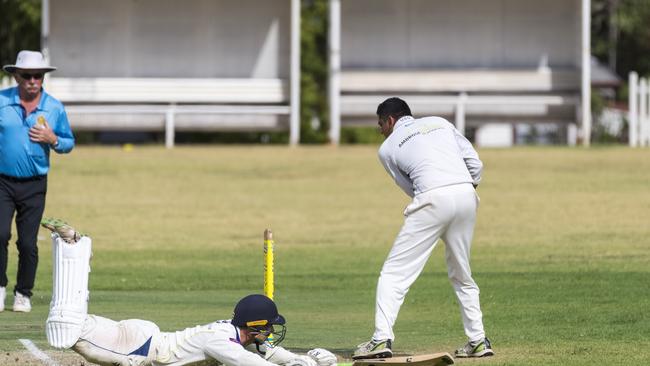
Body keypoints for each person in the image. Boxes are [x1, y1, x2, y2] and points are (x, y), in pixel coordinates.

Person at [41, 218, 338, 366]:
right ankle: (73, 247)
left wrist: (307, 358)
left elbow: (273, 354)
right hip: (138, 349)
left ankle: (75, 247)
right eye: (269, 325)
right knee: (66, 330)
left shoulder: (238, 335)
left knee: (71, 323)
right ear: (255, 326)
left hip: (146, 339)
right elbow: (256, 365)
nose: (271, 330)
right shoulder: (221, 342)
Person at [352, 98, 493, 360]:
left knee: (394, 274)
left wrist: (438, 195)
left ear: (390, 120)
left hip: (431, 199)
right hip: (465, 194)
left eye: (381, 124)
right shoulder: (440, 123)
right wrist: (463, 188)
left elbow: (410, 188)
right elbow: (476, 164)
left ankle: (381, 339)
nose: (380, 130)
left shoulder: (387, 149)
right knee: (462, 272)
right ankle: (478, 340)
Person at [0, 50, 75, 313]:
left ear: (43, 78)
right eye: (27, 75)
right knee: (0, 234)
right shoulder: (1, 101)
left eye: (38, 76)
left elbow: (68, 143)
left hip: (34, 184)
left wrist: (53, 139)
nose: (33, 80)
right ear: (16, 76)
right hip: (2, 182)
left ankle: (23, 293)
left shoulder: (54, 107)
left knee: (28, 243)